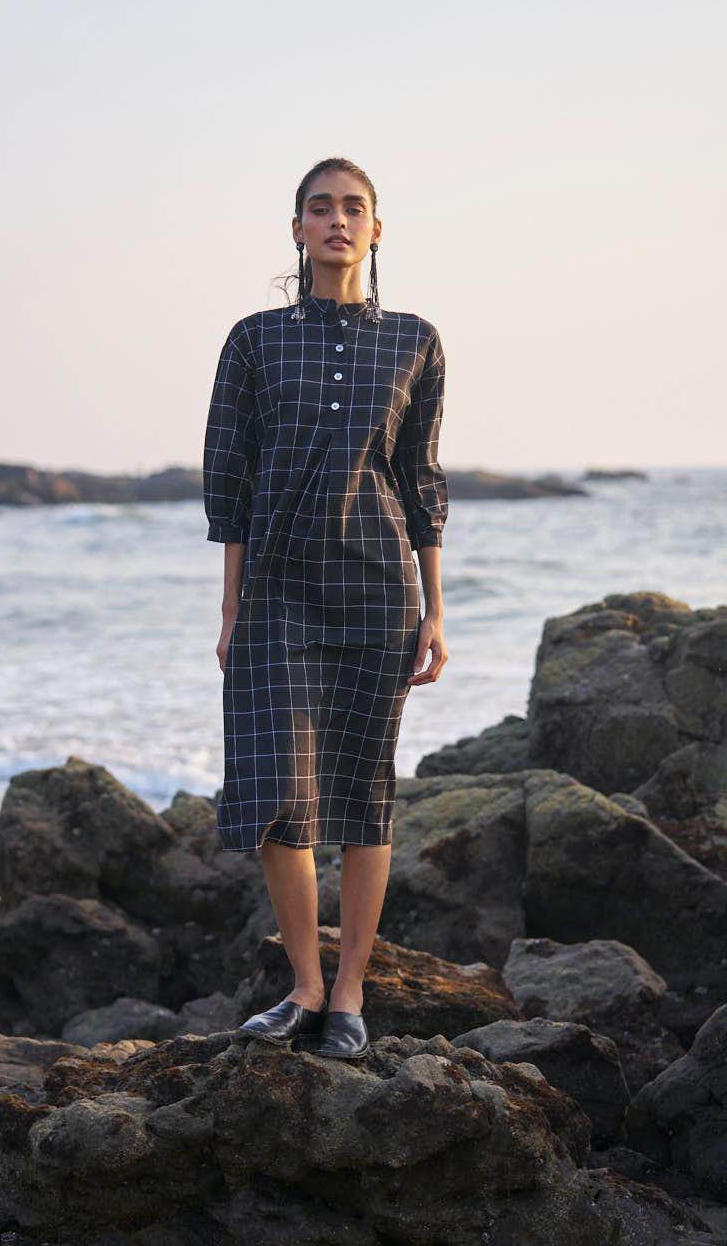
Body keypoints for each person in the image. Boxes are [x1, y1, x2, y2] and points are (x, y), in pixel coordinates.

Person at [202, 156, 449, 1059]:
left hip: (378, 588)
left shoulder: (415, 340)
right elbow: (228, 480)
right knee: (279, 792)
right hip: (275, 590)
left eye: (353, 208)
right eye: (320, 207)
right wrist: (231, 609)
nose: (337, 220)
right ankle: (303, 985)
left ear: (376, 229)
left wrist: (435, 609)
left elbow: (420, 481)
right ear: (298, 228)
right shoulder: (254, 340)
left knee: (362, 793)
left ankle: (348, 995)